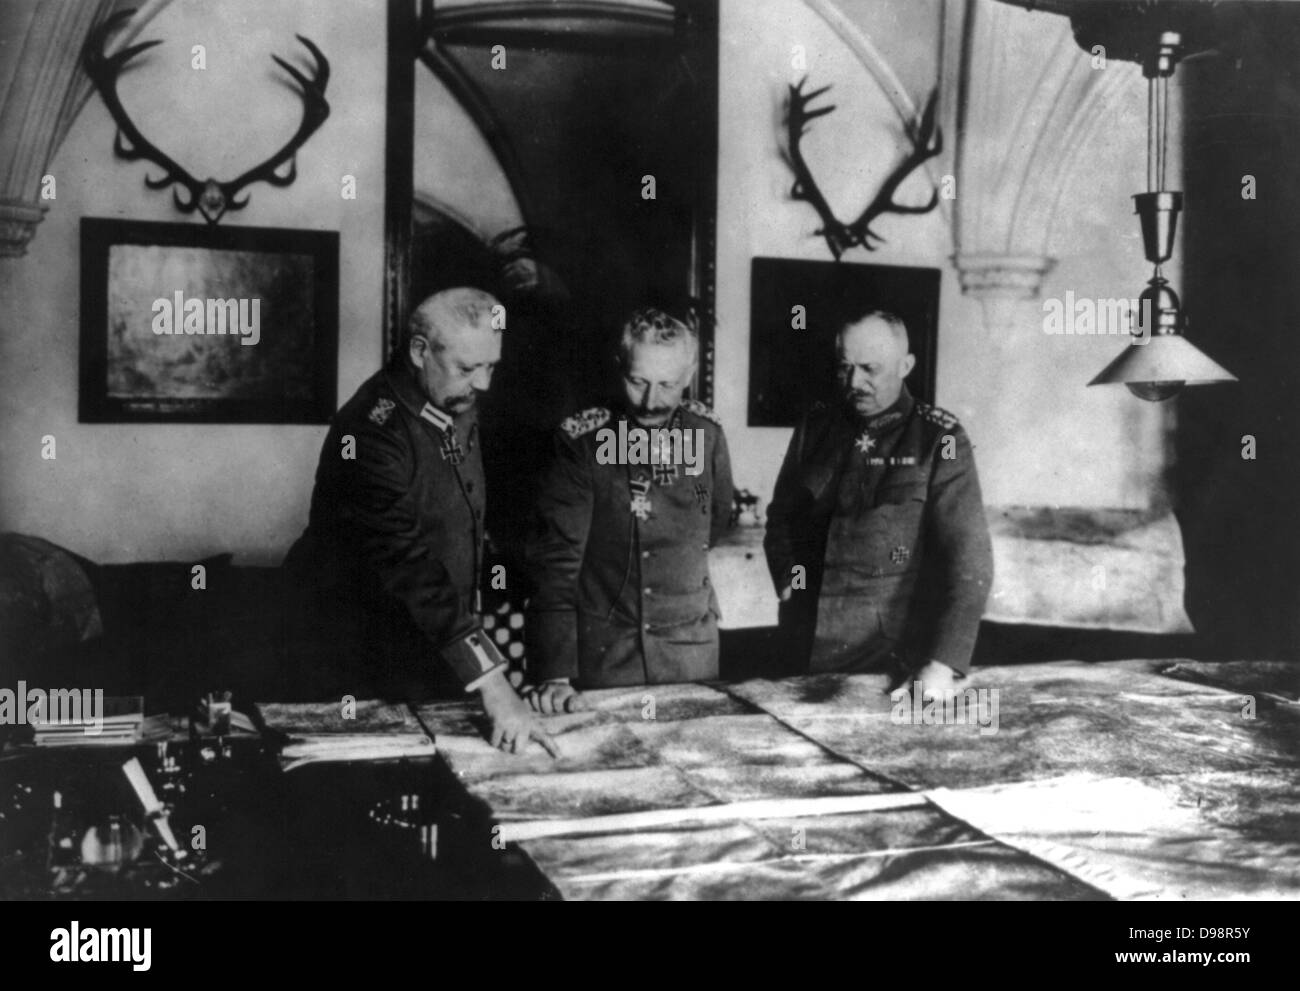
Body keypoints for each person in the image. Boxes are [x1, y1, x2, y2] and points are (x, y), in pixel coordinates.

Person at [284, 287, 557, 756]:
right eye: (468, 368)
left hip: (429, 648)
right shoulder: (370, 431)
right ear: (418, 351)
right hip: (351, 659)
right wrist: (494, 684)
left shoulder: (451, 397)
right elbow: (408, 564)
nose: (483, 384)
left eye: (490, 366)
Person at [764, 309, 993, 696]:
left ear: (906, 366)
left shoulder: (939, 439)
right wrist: (791, 584)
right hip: (802, 647)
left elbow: (969, 562)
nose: (854, 382)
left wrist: (942, 663)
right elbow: (783, 517)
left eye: (870, 369)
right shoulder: (816, 428)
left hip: (888, 661)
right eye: (845, 367)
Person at [524, 308, 734, 711]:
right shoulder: (583, 440)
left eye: (667, 385)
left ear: (689, 375)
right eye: (638, 382)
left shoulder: (706, 434)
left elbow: (715, 524)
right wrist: (555, 673)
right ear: (619, 365)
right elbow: (557, 559)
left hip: (691, 650)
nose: (651, 401)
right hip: (608, 652)